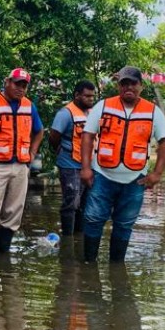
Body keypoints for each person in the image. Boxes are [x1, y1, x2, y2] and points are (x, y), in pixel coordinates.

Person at [80, 66, 165, 262]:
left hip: (134, 180)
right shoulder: (103, 106)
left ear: (141, 86)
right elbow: (88, 135)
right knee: (93, 220)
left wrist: (157, 173)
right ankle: (88, 265)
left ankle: (116, 266)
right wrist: (86, 168)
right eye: (124, 83)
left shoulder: (153, 112)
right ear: (118, 85)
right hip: (102, 176)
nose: (129, 87)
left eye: (133, 83)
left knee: (124, 224)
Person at [0, 68, 44, 252]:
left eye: (24, 86)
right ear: (7, 82)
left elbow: (39, 131)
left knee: (13, 212)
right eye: (17, 84)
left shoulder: (29, 105)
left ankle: (3, 257)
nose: (21, 89)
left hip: (20, 166)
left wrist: (32, 154)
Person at [48, 80, 96, 235]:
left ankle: (78, 236)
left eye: (92, 96)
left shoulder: (90, 113)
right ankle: (68, 239)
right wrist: (60, 150)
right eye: (87, 96)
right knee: (71, 202)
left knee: (85, 203)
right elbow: (54, 136)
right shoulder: (65, 113)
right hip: (70, 164)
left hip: (88, 165)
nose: (90, 99)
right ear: (77, 95)